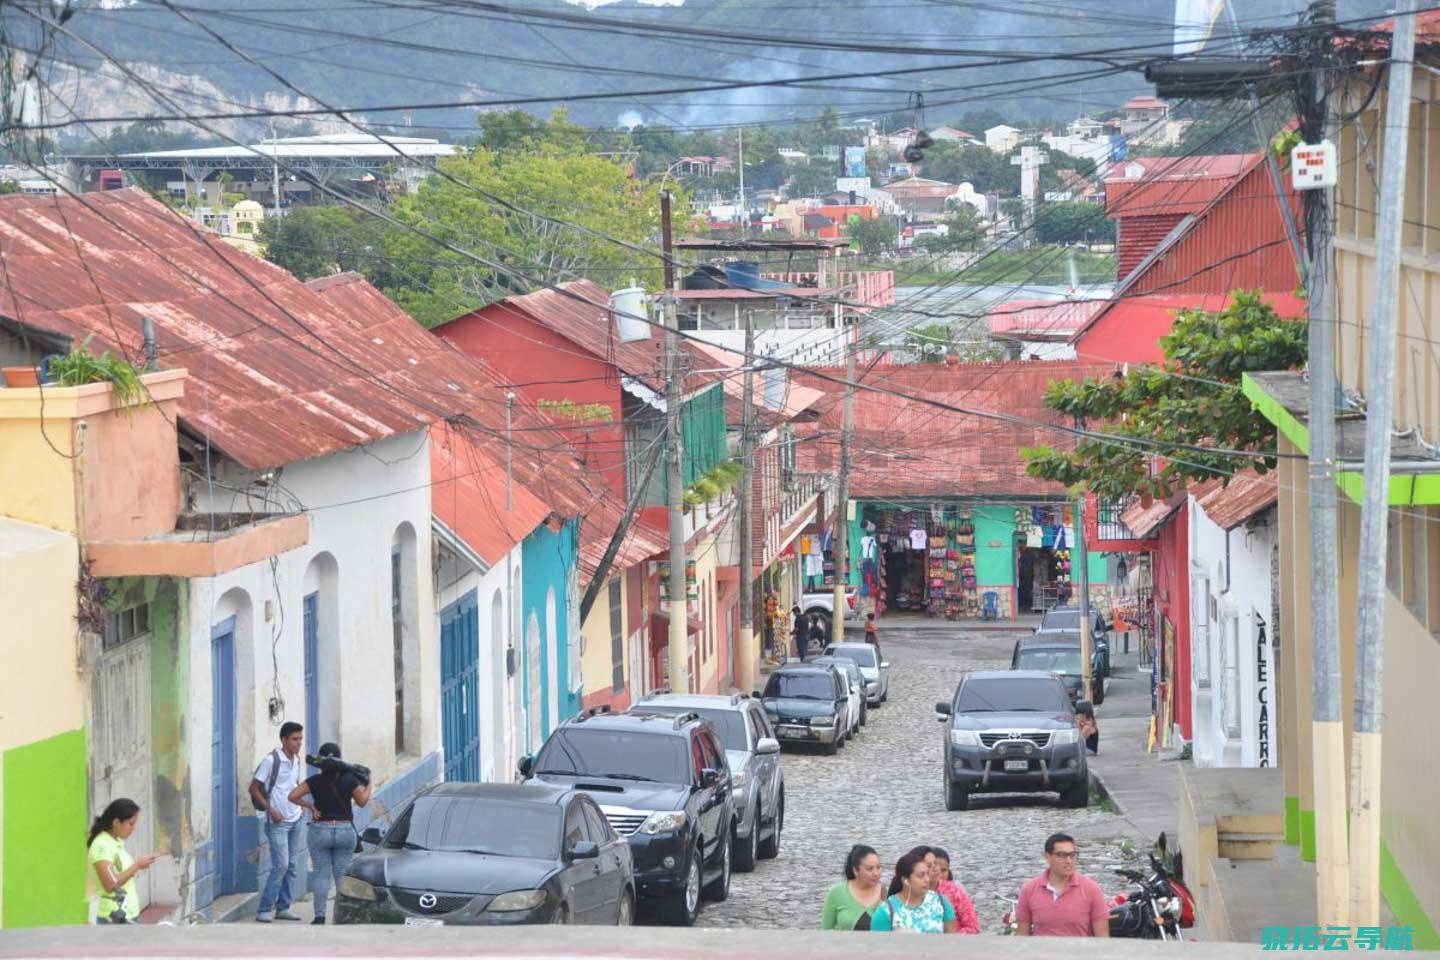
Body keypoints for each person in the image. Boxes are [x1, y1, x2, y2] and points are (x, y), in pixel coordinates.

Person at [288, 742, 372, 924]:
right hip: (344, 831)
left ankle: (319, 916)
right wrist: (369, 783)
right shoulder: (350, 779)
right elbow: (363, 801)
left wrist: (310, 805)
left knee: (321, 874)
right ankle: (344, 916)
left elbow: (292, 796)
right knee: (342, 875)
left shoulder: (315, 781)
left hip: (320, 830)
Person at [249, 721, 308, 923]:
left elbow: (293, 785)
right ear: (284, 740)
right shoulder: (271, 760)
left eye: (300, 739)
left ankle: (283, 907)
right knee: (280, 865)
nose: (298, 743)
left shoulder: (297, 759)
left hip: (296, 818)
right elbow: (254, 788)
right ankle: (264, 909)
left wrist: (301, 807)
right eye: (294, 739)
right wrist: (270, 809)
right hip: (277, 823)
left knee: (291, 865)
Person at [1015, 833, 1110, 937]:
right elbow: (1022, 935)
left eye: (1072, 855)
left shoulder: (1092, 889)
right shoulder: (1029, 890)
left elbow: (1102, 939)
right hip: (1041, 952)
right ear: (1047, 857)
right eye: (1062, 855)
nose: (1069, 861)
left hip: (1079, 952)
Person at [88, 798, 157, 924]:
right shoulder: (102, 846)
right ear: (116, 822)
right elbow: (110, 884)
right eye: (131, 824)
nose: (133, 828)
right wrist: (137, 866)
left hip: (128, 914)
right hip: (115, 917)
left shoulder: (115, 842)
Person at [872, 851, 956, 933]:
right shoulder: (886, 911)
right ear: (905, 880)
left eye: (927, 874)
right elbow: (877, 945)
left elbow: (952, 941)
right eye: (921, 875)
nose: (927, 880)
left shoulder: (941, 902)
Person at [821, 844, 885, 931]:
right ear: (855, 870)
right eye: (870, 869)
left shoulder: (886, 894)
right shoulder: (837, 892)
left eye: (878, 867)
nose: (876, 873)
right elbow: (825, 931)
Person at [931, 846, 981, 934]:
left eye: (944, 870)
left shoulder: (955, 891)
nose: (939, 874)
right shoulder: (917, 892)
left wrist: (949, 938)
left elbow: (973, 927)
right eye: (934, 869)